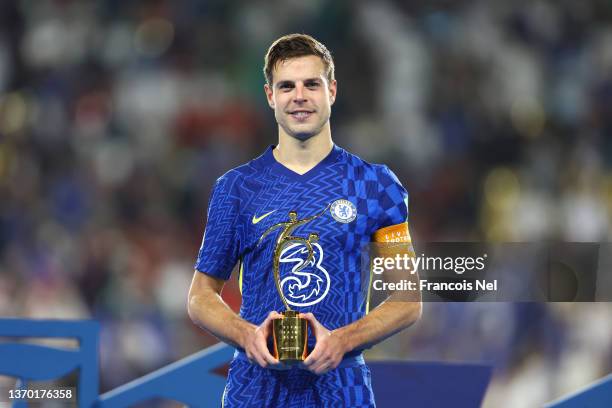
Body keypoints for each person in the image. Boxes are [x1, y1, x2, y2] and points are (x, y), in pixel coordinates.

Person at [187, 33, 421, 407]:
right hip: (256, 389)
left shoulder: (375, 186)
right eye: (286, 86)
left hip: (341, 388)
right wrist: (245, 335)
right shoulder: (237, 188)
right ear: (270, 96)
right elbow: (200, 296)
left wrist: (342, 340)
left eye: (311, 84)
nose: (299, 96)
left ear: (332, 90)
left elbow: (407, 299)